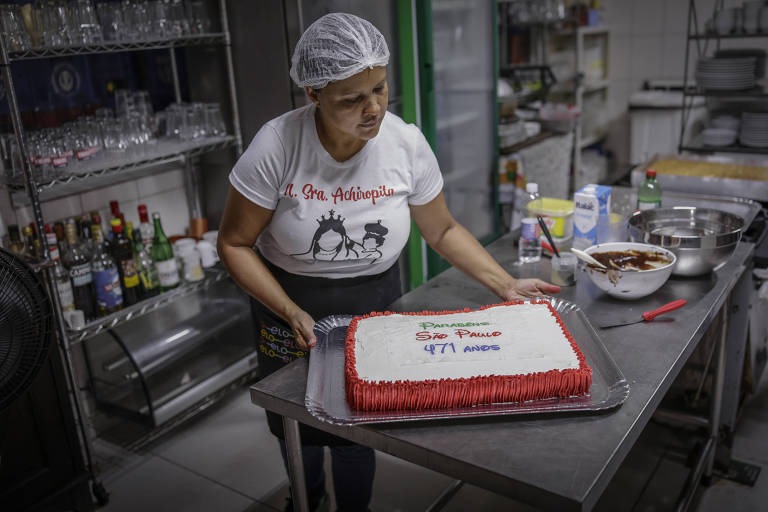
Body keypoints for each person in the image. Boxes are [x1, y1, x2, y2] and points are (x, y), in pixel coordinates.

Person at [218, 12, 560, 512]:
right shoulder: (277, 146)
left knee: (362, 422)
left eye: (379, 89)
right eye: (352, 99)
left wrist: (503, 283)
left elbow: (441, 229)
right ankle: (306, 498)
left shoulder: (404, 143)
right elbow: (234, 243)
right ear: (313, 94)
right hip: (289, 301)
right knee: (298, 424)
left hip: (374, 299)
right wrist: (289, 310)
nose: (373, 108)